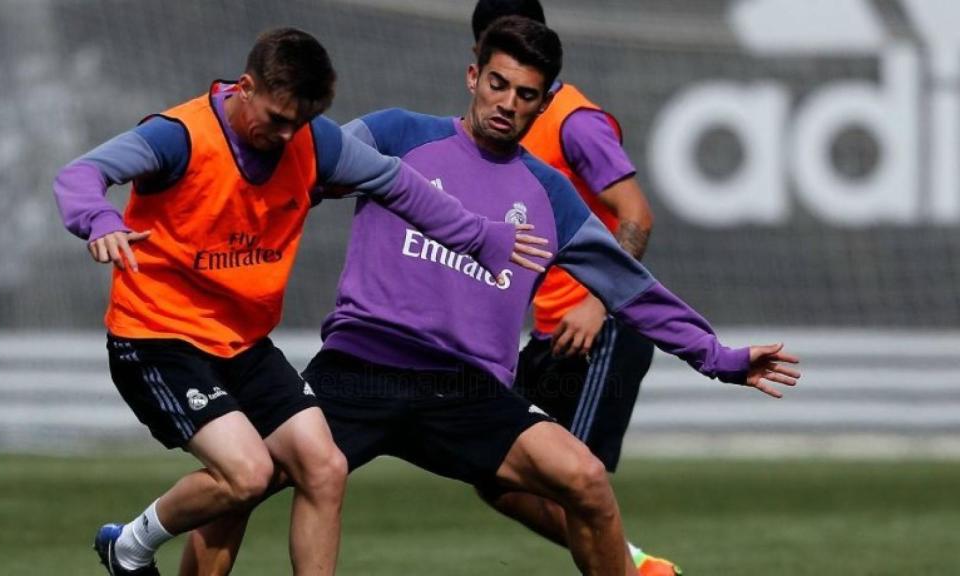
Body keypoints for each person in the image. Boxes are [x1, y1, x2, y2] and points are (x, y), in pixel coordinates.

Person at [180, 16, 800, 576]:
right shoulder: (397, 134)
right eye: (498, 84)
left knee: (585, 479)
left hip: (468, 390)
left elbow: (631, 290)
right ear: (473, 76)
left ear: (545, 102)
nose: (507, 104)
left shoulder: (549, 194)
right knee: (241, 481)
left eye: (526, 95)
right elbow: (294, 172)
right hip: (360, 369)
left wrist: (718, 358)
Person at [52, 27, 546, 576]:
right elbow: (81, 174)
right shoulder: (181, 137)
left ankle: (132, 547)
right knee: (247, 475)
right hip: (158, 338)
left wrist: (479, 235)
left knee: (325, 466)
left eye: (302, 121)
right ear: (245, 87)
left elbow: (398, 184)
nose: (288, 135)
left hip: (242, 345)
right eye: (278, 118)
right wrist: (98, 218)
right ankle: (130, 547)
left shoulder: (314, 141)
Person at [469, 2, 678, 574]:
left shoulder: (573, 120)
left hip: (602, 329)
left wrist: (597, 302)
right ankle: (639, 566)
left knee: (574, 485)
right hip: (553, 335)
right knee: (492, 472)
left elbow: (637, 213)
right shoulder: (510, 124)